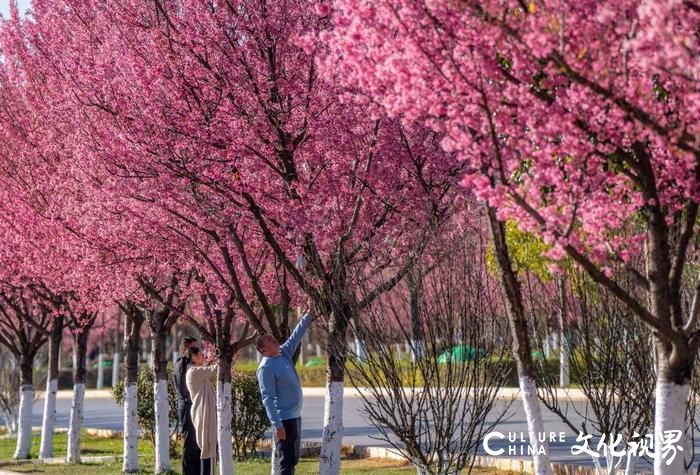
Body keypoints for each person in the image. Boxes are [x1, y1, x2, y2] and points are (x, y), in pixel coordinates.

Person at [256, 312, 315, 475]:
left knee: (292, 461)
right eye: (270, 341)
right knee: (286, 463)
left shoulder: (283, 353)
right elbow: (267, 398)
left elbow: (296, 335)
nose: (275, 340)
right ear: (263, 350)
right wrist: (277, 424)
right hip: (284, 421)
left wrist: (308, 315)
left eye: (273, 338)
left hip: (295, 416)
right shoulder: (265, 368)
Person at [185, 346, 218, 475]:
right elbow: (215, 370)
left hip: (204, 413)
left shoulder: (198, 372)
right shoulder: (193, 372)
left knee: (209, 449)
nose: (203, 356)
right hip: (203, 413)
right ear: (194, 356)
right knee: (208, 449)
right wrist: (226, 359)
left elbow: (211, 374)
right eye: (201, 354)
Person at [173, 336, 200, 475]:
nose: (196, 352)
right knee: (190, 445)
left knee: (196, 444)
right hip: (187, 407)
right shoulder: (182, 366)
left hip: (190, 407)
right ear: (184, 349)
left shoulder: (186, 365)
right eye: (193, 349)